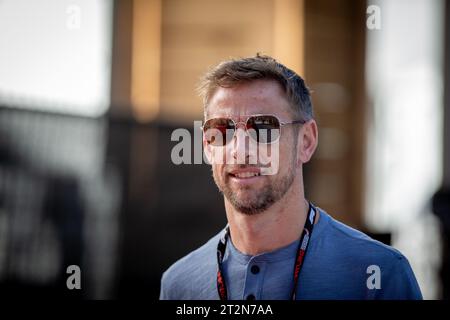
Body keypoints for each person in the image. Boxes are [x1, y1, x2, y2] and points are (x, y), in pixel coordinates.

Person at [159, 54, 422, 300]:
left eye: (263, 128)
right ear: (207, 146)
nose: (239, 151)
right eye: (221, 130)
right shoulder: (179, 284)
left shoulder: (379, 275)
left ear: (306, 141)